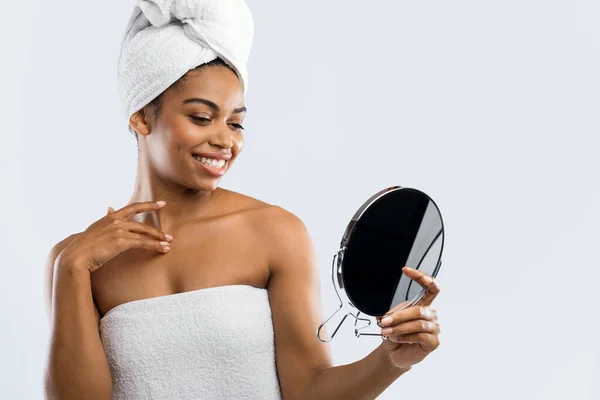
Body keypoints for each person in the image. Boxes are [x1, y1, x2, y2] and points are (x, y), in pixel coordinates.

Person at [43, 1, 442, 399]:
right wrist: (72, 270)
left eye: (236, 123)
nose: (225, 140)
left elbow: (308, 390)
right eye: (202, 117)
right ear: (142, 117)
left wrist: (390, 360)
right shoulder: (78, 259)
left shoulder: (273, 233)